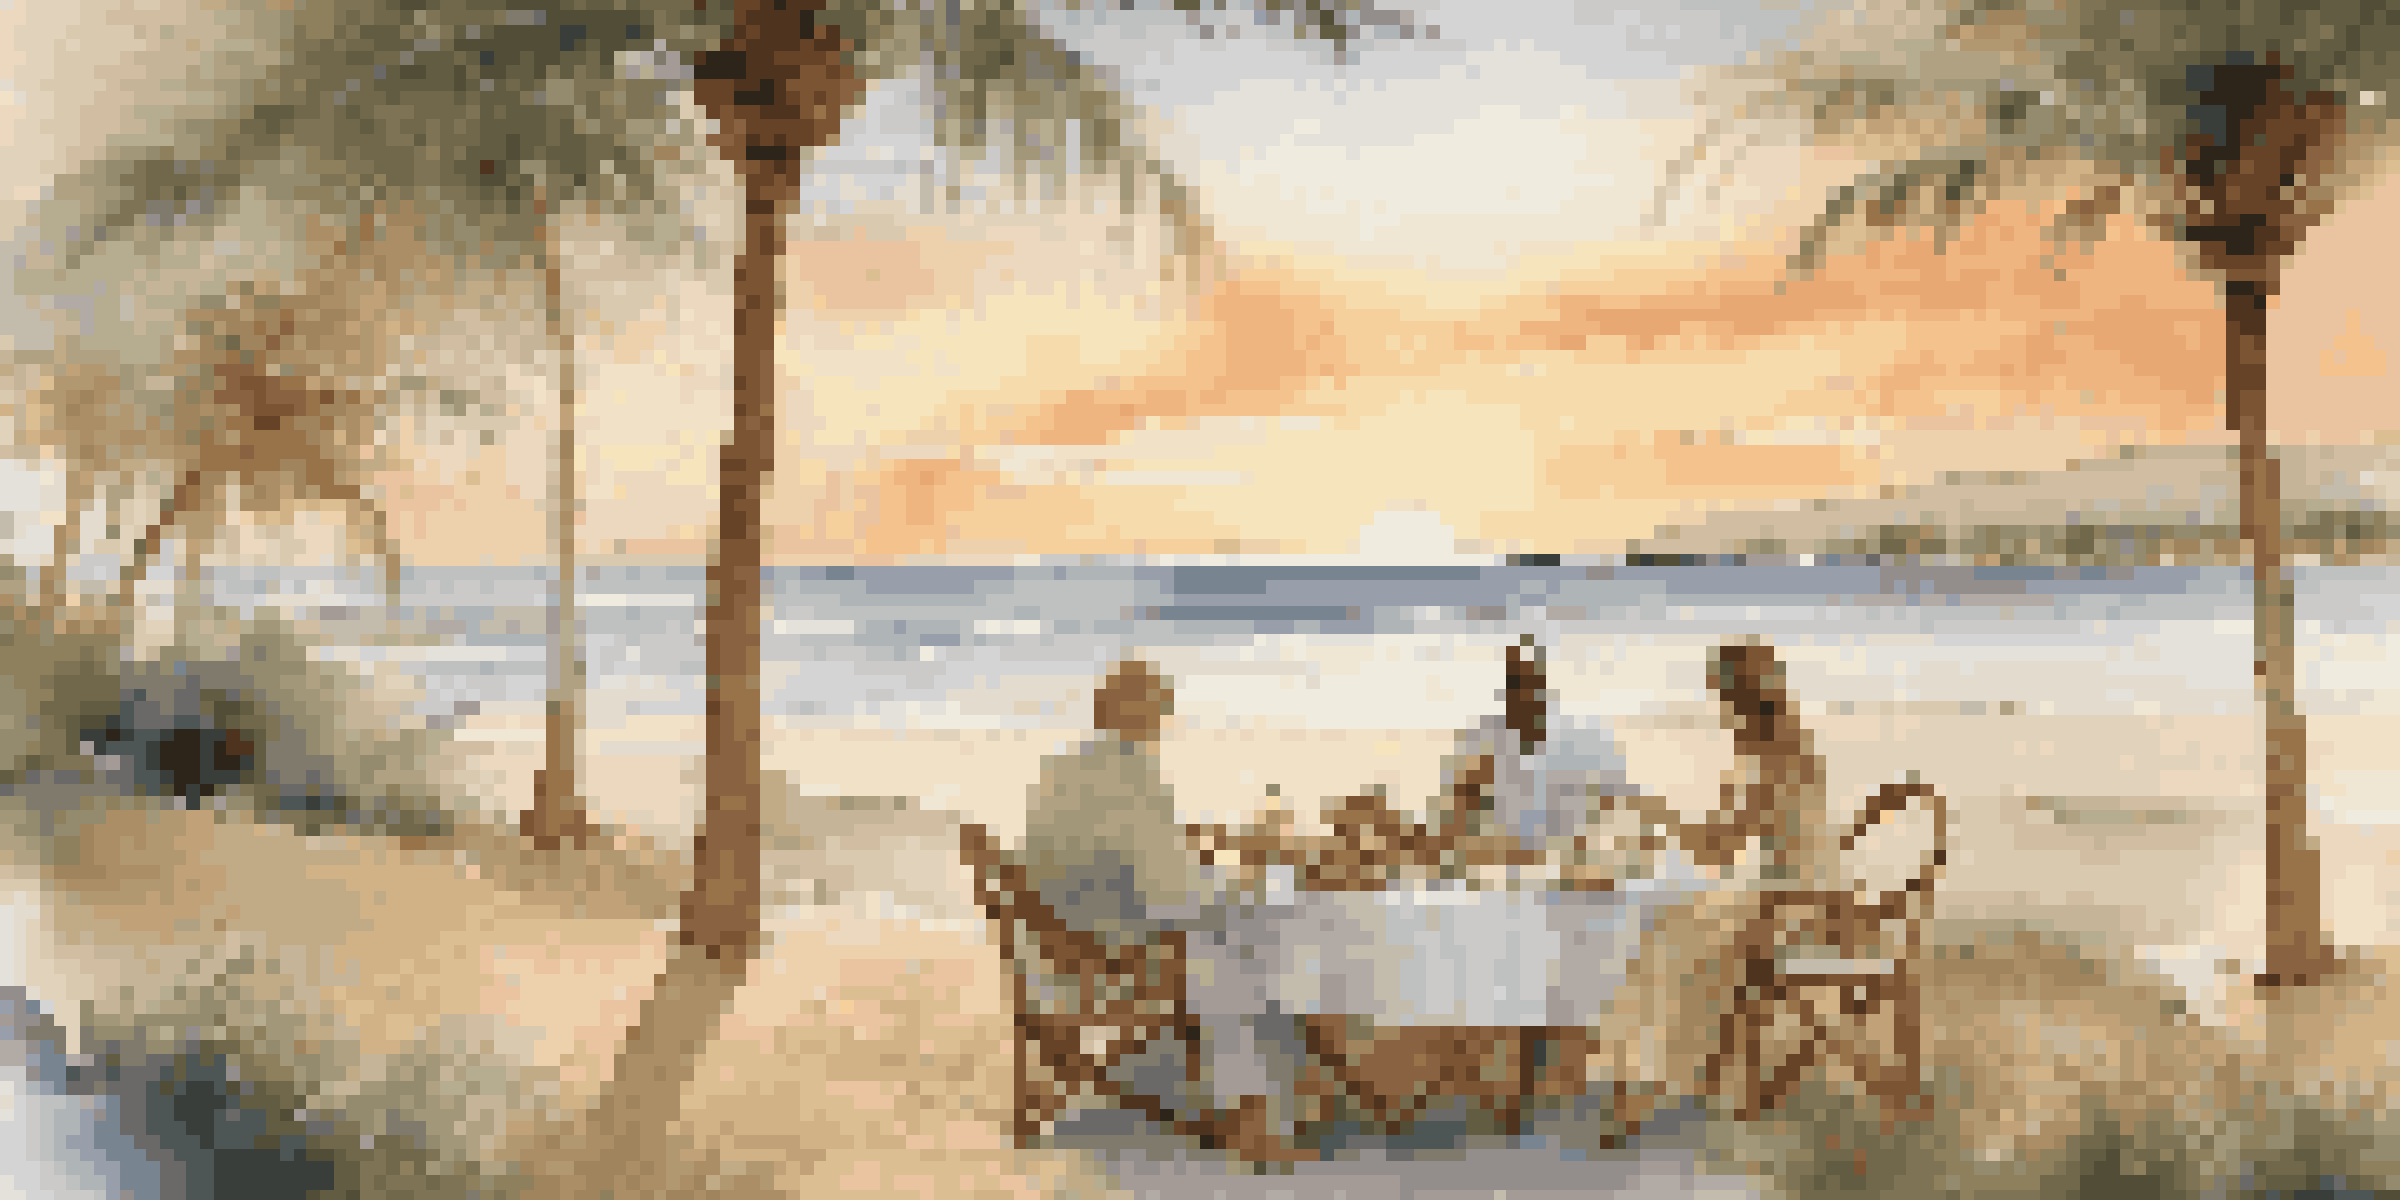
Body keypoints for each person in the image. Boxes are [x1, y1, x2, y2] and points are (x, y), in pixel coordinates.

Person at [1018, 658, 1307, 1152]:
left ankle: (1265, 1090)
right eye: (1156, 708)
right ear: (1133, 711)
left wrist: (1209, 870)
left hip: (1060, 940)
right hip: (1106, 947)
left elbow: (1133, 861)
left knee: (1241, 927)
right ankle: (1255, 1113)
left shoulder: (1073, 765)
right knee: (1247, 940)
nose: (1160, 721)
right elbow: (1172, 891)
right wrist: (1247, 883)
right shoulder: (1125, 769)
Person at [1440, 635, 1642, 856]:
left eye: (1529, 683)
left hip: (1568, 858)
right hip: (1504, 856)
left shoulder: (1577, 744)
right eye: (1515, 683)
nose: (1521, 694)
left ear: (1541, 686)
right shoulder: (1485, 741)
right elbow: (1461, 806)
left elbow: (1619, 800)